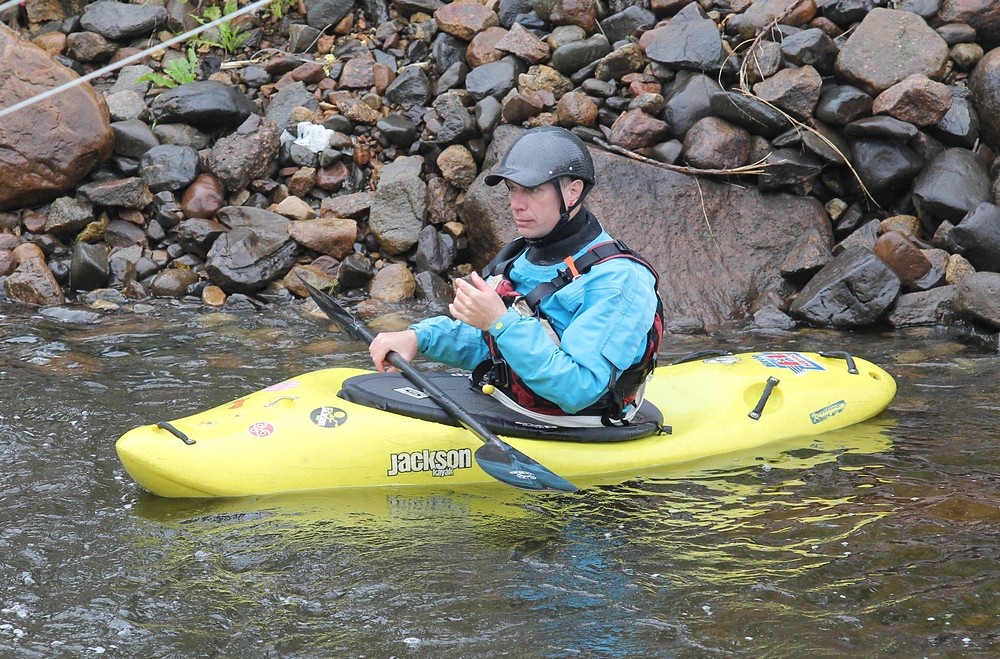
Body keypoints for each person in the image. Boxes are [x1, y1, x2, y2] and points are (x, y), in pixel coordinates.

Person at [369, 126, 662, 426]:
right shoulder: (522, 254)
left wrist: (500, 320)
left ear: (573, 192)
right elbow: (488, 345)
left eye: (533, 190)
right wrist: (419, 337)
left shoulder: (619, 280)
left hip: (579, 423)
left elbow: (579, 388)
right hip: (508, 401)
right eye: (512, 189)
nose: (516, 204)